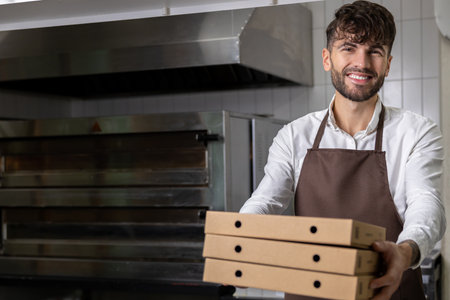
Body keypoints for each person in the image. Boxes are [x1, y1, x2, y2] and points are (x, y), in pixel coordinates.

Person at [239, 1, 446, 300]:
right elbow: (266, 200)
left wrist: (405, 251)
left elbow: (426, 204)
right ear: (327, 58)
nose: (361, 62)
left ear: (387, 63)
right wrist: (242, 238)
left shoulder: (416, 132)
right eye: (348, 47)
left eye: (375, 51)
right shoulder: (295, 136)